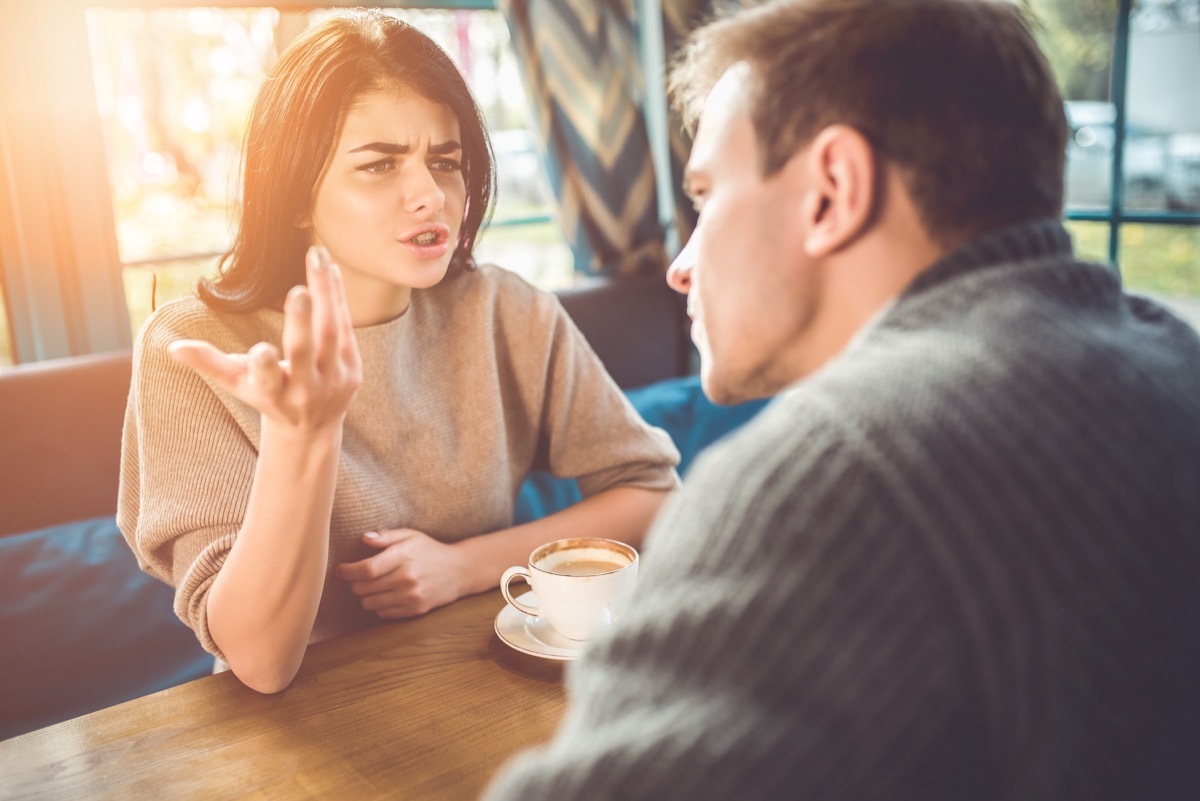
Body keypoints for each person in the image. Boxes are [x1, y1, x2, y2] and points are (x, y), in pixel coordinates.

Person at [483, 1, 1200, 799]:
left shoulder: (837, 476)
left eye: (707, 195)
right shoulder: (1171, 360)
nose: (680, 266)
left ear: (831, 190)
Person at [117, 10, 679, 695]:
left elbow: (651, 492)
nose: (430, 195)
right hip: (294, 736)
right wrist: (305, 432)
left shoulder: (505, 309)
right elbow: (261, 659)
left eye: (445, 162)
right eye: (379, 165)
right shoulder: (195, 349)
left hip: (479, 690)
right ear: (297, 194)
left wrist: (463, 566)